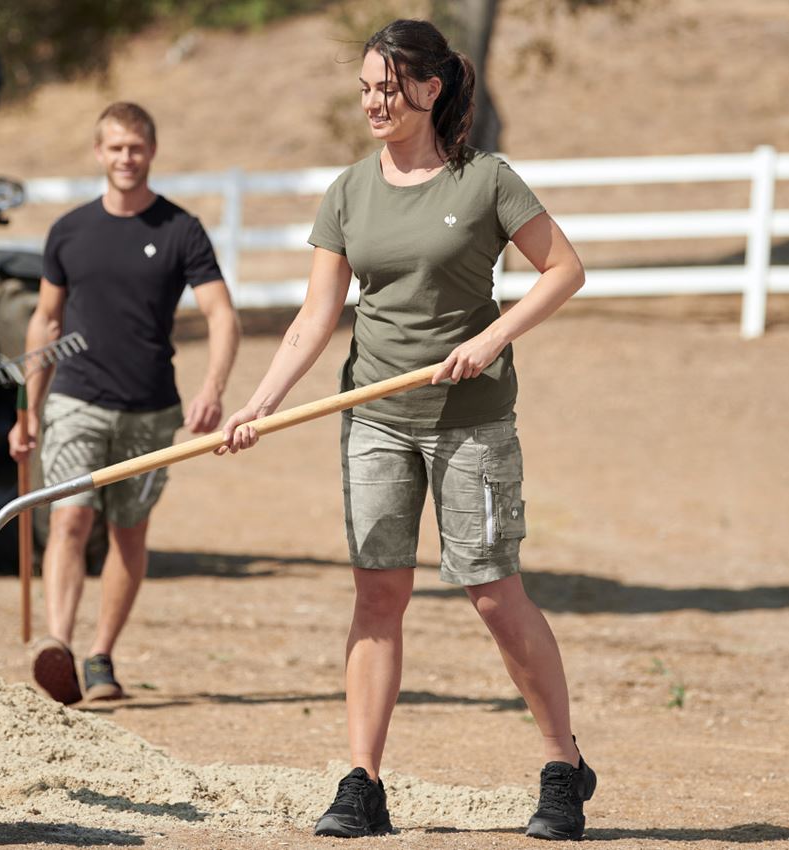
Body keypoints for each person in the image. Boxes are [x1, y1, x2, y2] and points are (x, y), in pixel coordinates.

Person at [219, 20, 593, 841]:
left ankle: (562, 765)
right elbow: (317, 316)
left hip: (471, 422)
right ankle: (363, 783)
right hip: (374, 420)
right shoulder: (349, 191)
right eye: (364, 89)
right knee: (378, 595)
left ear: (430, 89)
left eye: (388, 87)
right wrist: (260, 403)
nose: (373, 102)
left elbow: (564, 270)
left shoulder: (485, 179)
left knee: (493, 595)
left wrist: (492, 337)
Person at [9, 101, 239, 705]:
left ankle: (100, 657)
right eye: (114, 148)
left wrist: (212, 388)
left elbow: (222, 316)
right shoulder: (70, 231)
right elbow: (45, 321)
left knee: (129, 534)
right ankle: (56, 648)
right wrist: (28, 408)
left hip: (151, 409)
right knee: (68, 519)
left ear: (151, 151)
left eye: (135, 147)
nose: (125, 158)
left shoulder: (180, 230)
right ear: (98, 153)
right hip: (76, 400)